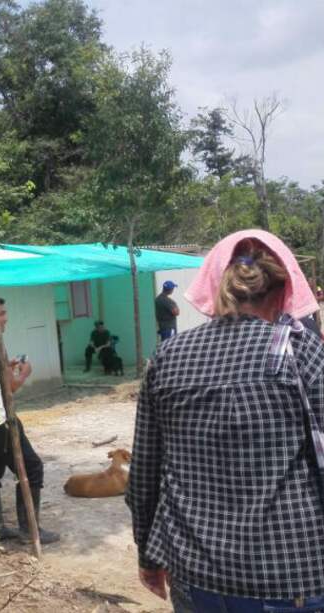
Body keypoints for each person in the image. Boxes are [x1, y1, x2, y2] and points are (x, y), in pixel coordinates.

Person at [126, 229, 324, 612]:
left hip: (196, 575)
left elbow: (145, 474)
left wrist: (148, 557)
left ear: (215, 286)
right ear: (285, 290)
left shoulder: (168, 356)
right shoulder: (302, 352)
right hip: (291, 575)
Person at [0, 297, 60, 544]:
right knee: (33, 467)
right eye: (1, 313)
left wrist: (7, 367)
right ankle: (28, 529)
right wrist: (22, 374)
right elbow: (8, 388)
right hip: (1, 418)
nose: (6, 318)